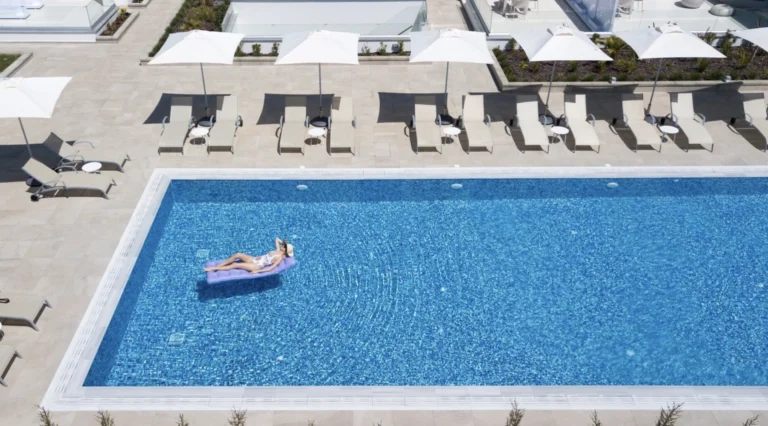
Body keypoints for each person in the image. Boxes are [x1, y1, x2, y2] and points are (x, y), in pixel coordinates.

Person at [204, 238, 294, 274]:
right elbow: (277, 239)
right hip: (254, 259)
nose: (283, 246)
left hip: (257, 265)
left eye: (284, 246)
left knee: (235, 264)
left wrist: (257, 271)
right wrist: (283, 243)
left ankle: (214, 268)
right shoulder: (277, 250)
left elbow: (271, 268)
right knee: (238, 254)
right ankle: (220, 265)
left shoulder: (280, 258)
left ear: (285, 251)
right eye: (283, 245)